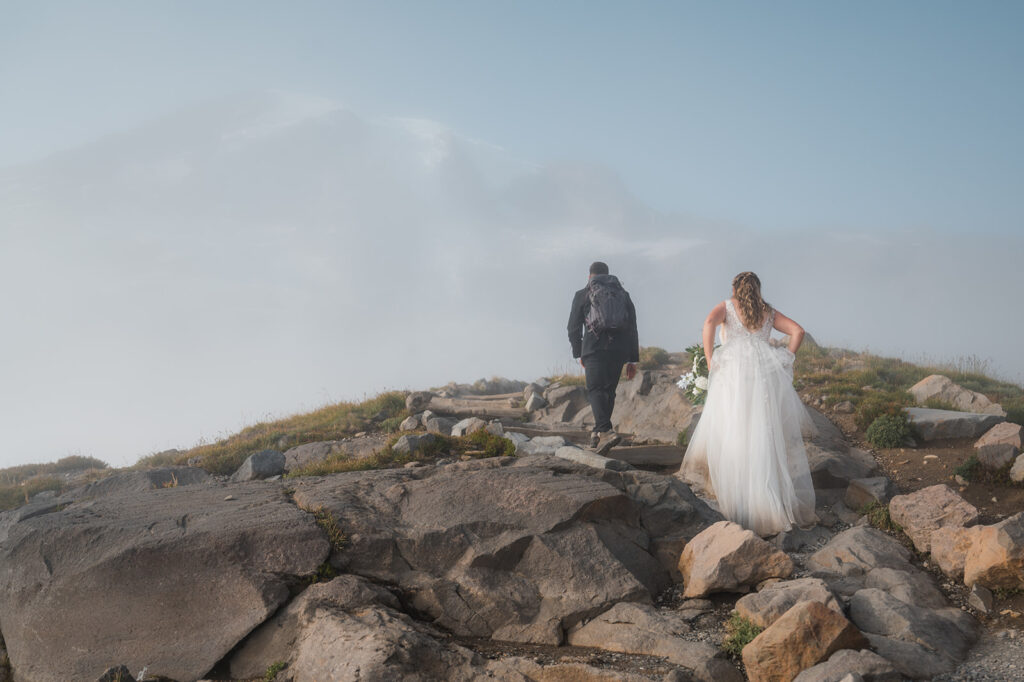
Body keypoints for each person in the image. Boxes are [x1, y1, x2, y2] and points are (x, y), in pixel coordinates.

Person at [676, 271, 816, 536]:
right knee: (762, 434)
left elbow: (708, 323)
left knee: (734, 433)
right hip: (762, 373)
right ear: (758, 289)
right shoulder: (768, 311)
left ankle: (738, 505)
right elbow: (798, 331)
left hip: (732, 374)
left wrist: (709, 358)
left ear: (734, 287)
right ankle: (769, 505)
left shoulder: (727, 307)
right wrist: (786, 356)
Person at [567, 262, 639, 454]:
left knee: (596, 390)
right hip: (619, 350)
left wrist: (579, 352)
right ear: (608, 275)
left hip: (594, 348)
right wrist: (632, 359)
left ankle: (605, 430)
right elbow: (632, 327)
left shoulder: (582, 294)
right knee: (608, 391)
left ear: (590, 275)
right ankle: (597, 433)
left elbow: (573, 328)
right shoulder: (623, 295)